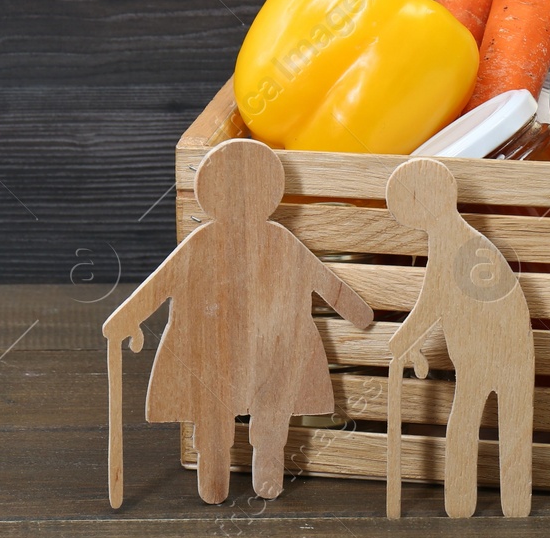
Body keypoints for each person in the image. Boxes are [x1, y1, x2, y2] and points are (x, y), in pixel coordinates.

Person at [104, 138, 374, 504]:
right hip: (246, 351)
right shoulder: (265, 241)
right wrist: (360, 315)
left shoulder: (218, 242)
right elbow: (332, 289)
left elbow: (155, 289)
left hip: (245, 350)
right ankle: (238, 477)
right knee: (237, 416)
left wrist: (123, 322)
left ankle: (243, 477)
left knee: (246, 416)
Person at [386, 158, 533, 518]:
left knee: (470, 423)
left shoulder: (455, 243)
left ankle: (467, 505)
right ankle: (505, 505)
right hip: (492, 354)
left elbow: (433, 302)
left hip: (491, 354)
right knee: (504, 425)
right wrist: (408, 341)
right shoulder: (460, 240)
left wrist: (401, 340)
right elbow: (440, 302)